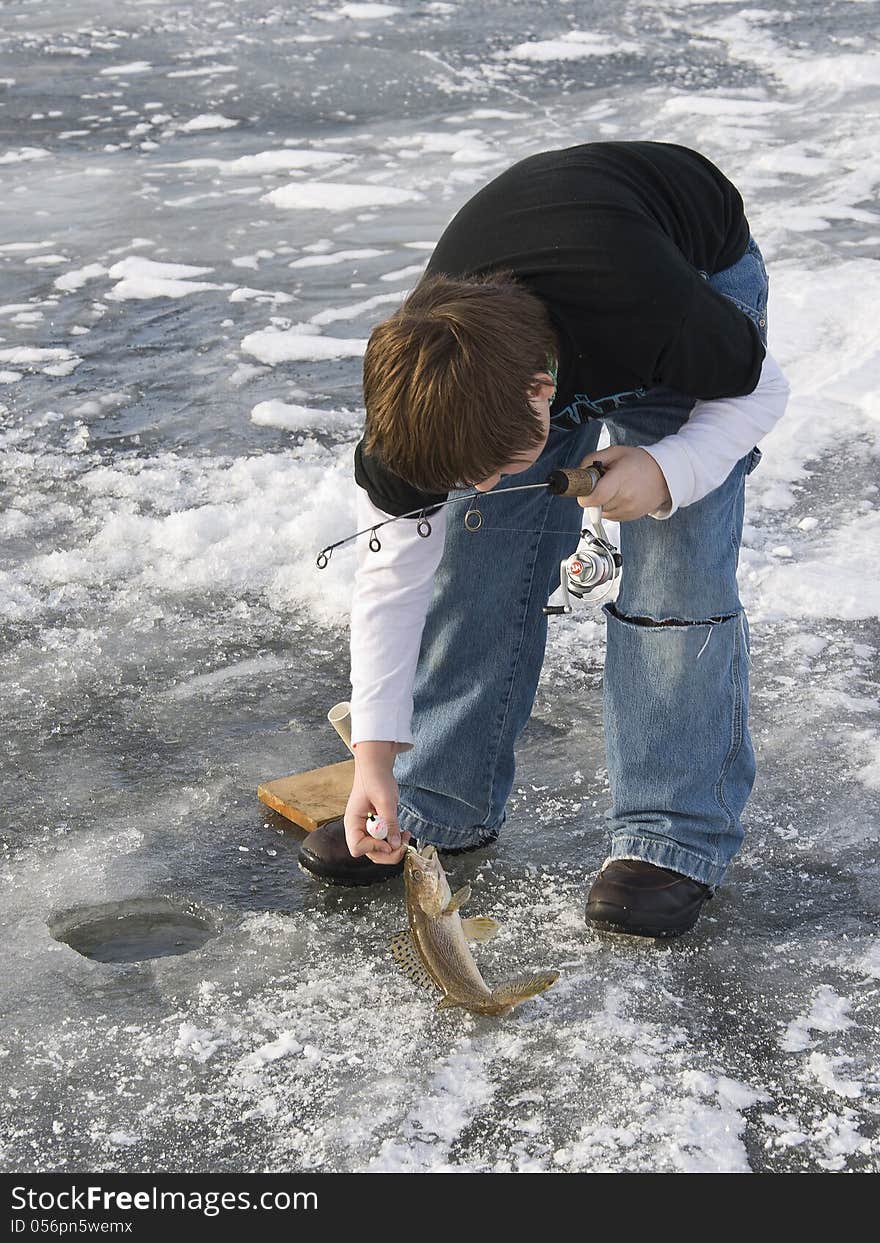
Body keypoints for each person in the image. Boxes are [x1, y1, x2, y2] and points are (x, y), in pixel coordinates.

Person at [299, 141, 790, 938]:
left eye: (497, 464)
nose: (485, 483)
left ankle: (671, 839)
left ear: (544, 395)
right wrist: (375, 763)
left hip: (684, 271)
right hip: (537, 307)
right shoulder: (422, 404)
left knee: (677, 568)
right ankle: (440, 800)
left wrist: (668, 467)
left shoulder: (661, 317)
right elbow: (392, 583)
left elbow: (762, 388)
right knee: (477, 552)